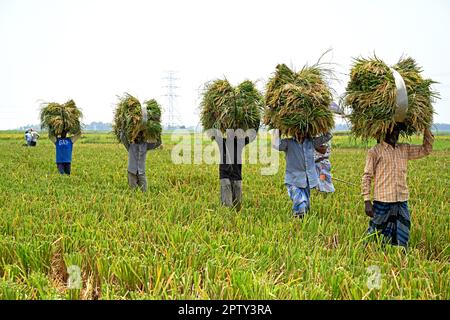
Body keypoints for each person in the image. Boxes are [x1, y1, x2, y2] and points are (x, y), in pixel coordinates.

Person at [362, 125, 434, 248]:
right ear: (384, 132)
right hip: (383, 199)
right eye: (392, 131)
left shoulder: (404, 149)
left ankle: (400, 254)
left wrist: (425, 128)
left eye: (397, 131)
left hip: (401, 199)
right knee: (376, 230)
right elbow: (367, 176)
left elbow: (426, 149)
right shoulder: (375, 151)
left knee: (404, 228)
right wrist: (367, 200)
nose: (395, 134)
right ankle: (367, 251)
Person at [272, 130, 333, 218]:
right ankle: (298, 217)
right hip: (293, 180)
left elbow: (328, 136)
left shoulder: (311, 142)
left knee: (306, 204)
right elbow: (276, 145)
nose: (299, 134)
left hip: (307, 179)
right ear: (293, 133)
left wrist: (322, 127)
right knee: (300, 201)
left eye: (302, 132)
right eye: (297, 132)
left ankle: (303, 221)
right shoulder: (288, 143)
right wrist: (277, 131)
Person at [211, 128, 257, 211]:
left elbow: (252, 136)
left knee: (238, 202)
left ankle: (236, 216)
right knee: (226, 201)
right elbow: (213, 131)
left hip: (237, 175)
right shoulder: (222, 142)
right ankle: (226, 216)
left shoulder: (240, 142)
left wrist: (255, 125)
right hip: (224, 174)